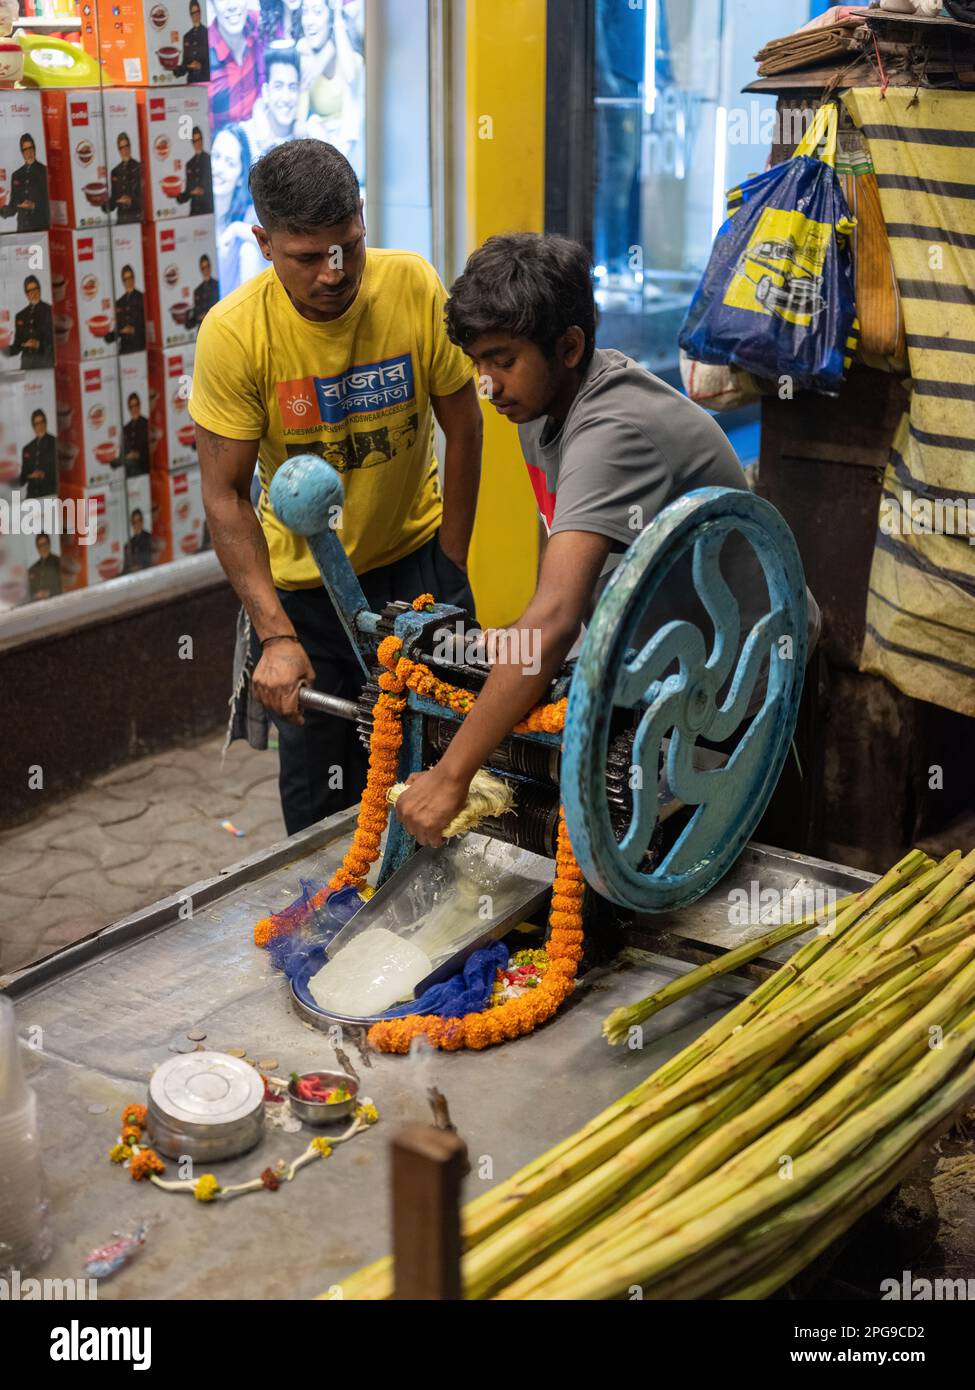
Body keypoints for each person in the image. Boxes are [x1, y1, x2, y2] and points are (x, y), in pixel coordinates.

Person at [393, 233, 822, 846]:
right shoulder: (539, 409)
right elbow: (564, 577)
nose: (486, 386)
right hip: (675, 669)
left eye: (502, 360)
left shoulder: (613, 432)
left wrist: (452, 774)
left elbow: (556, 616)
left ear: (568, 347)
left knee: (741, 875)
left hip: (750, 687)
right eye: (476, 363)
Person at [189, 139, 482, 835]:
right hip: (306, 602)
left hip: (419, 572)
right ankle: (330, 933)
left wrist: (453, 555)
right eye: (307, 256)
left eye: (347, 245)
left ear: (361, 218)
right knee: (325, 804)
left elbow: (464, 425)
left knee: (458, 768)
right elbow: (224, 495)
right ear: (263, 242)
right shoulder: (233, 336)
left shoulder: (411, 284)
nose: (333, 271)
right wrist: (275, 635)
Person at [211, 123, 263, 296]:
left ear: (241, 177)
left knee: (249, 250)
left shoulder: (249, 215)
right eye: (215, 156)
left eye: (230, 163)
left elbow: (278, 244)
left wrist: (235, 230)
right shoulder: (190, 215)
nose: (218, 168)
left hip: (232, 316)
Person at [208, 0, 265, 130]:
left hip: (260, 137)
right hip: (222, 144)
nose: (232, 5)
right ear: (212, 4)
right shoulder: (201, 56)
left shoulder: (259, 24)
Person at [241, 43, 302, 158]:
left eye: (292, 87)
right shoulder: (245, 137)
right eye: (278, 86)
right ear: (266, 92)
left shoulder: (308, 137)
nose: (286, 98)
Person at [0, 133, 49, 233]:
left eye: (31, 148)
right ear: (22, 152)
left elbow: (51, 203)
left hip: (40, 228)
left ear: (34, 149)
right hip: (22, 229)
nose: (29, 152)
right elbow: (13, 207)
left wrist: (34, 206)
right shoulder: (16, 175)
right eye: (25, 149)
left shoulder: (44, 171)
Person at [7, 275, 54, 370]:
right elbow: (17, 346)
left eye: (36, 289)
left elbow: (57, 342)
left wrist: (39, 345)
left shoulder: (50, 310)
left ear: (40, 289)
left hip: (46, 362)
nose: (34, 293)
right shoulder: (20, 316)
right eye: (30, 291)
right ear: (26, 294)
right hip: (27, 365)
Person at [104, 264, 145, 354]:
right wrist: (108, 335)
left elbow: (148, 327)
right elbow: (118, 330)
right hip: (124, 351)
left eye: (130, 277)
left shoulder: (142, 298)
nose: (129, 281)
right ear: (123, 282)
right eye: (126, 279)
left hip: (140, 349)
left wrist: (134, 330)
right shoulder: (119, 302)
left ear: (134, 278)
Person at [176, 126, 213, 217]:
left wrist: (203, 191)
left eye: (199, 139)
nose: (198, 143)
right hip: (194, 210)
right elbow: (189, 191)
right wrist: (179, 196)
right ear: (192, 143)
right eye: (195, 141)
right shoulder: (189, 164)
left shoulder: (210, 159)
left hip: (208, 209)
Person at [107, 131, 143, 224]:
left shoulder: (139, 168)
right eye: (122, 148)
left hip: (136, 219)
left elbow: (145, 199)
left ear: (130, 147)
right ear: (119, 150)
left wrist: (131, 201)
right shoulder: (115, 171)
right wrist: (103, 203)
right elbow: (113, 202)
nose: (125, 150)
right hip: (121, 220)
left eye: (127, 146)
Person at [20, 409, 57, 499]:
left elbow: (61, 474)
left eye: (42, 422)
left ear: (46, 422)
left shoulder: (55, 443)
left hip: (49, 495)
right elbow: (21, 480)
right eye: (36, 424)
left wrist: (44, 475)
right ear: (33, 426)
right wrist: (30, 475)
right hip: (31, 497)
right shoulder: (27, 449)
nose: (40, 426)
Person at [174, 0, 211, 82]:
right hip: (191, 82)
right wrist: (176, 70)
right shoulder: (187, 37)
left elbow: (215, 62)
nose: (196, 15)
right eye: (193, 13)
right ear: (190, 15)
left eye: (197, 12)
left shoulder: (208, 33)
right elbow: (185, 63)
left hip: (205, 81)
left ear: (200, 13)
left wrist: (201, 66)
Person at [185, 253, 221, 331]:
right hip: (202, 330)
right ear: (200, 269)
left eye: (207, 266)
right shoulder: (197, 291)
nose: (206, 270)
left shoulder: (218, 286)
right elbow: (196, 314)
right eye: (203, 268)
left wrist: (205, 315)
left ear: (210, 267)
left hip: (216, 328)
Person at [122, 392, 150, 476]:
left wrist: (138, 455)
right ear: (129, 409)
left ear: (140, 405)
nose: (134, 409)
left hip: (143, 467)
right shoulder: (126, 428)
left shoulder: (146, 424)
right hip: (129, 467)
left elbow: (151, 448)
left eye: (136, 405)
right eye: (131, 407)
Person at [28, 533, 62, 601]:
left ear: (49, 544)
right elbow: (27, 593)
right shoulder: (32, 569)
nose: (43, 548)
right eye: (40, 545)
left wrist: (49, 593)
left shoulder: (60, 563)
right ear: (37, 548)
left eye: (45, 544)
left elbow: (65, 587)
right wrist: (35, 595)